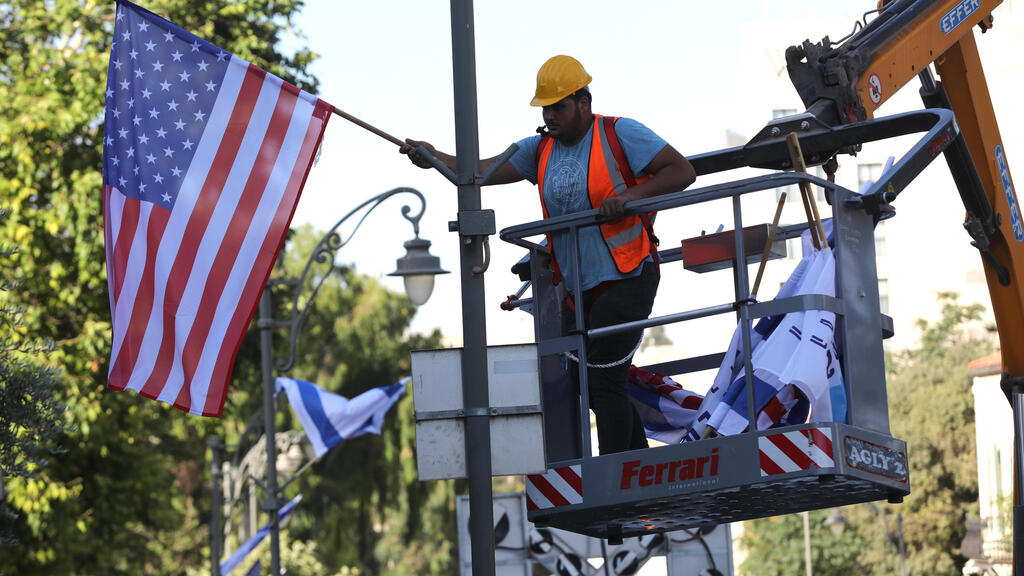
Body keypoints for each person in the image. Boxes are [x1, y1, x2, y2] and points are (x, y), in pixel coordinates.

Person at [401, 55, 696, 454]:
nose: (551, 115)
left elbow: (681, 171)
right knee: (583, 379)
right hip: (578, 286)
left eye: (559, 106)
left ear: (583, 103)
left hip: (627, 275)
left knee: (603, 380)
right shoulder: (539, 149)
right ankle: (635, 466)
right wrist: (434, 157)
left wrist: (627, 198)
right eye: (546, 108)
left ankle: (617, 478)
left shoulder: (619, 132)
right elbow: (476, 173)